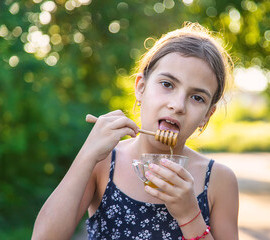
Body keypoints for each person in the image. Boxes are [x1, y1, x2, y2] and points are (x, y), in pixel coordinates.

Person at [32, 22, 239, 240]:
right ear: (141, 88)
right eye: (167, 84)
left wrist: (190, 216)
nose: (178, 105)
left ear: (207, 115)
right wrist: (87, 154)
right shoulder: (103, 163)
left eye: (197, 97)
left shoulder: (219, 181)